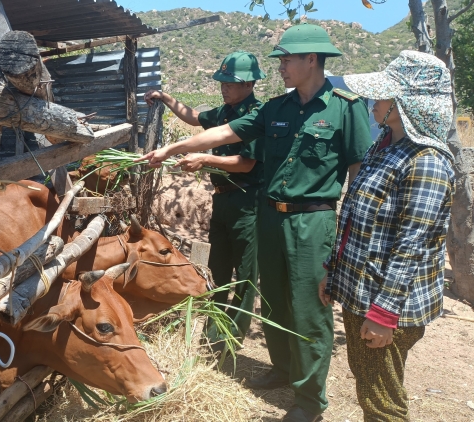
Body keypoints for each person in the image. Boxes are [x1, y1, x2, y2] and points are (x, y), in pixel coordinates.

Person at [137, 23, 374, 422]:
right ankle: (283, 369)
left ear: (311, 60)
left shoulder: (345, 108)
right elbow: (222, 132)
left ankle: (310, 402)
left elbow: (358, 175)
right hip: (269, 216)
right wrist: (171, 147)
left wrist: (349, 241)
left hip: (312, 222)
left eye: (286, 59)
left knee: (309, 311)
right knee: (278, 303)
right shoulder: (276, 109)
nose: (280, 66)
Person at [319, 51, 455, 421]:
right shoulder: (386, 145)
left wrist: (383, 314)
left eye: (382, 96)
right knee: (370, 390)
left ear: (404, 104)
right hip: (362, 292)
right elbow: (355, 219)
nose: (373, 103)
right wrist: (334, 272)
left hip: (386, 304)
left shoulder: (425, 161)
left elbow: (412, 245)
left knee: (382, 403)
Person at [144, 51, 266, 348]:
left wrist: (206, 160)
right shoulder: (224, 112)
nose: (224, 87)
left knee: (245, 277)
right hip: (223, 201)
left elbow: (246, 163)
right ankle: (211, 336)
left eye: (231, 82)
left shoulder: (257, 116)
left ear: (249, 84)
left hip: (248, 203)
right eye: (222, 81)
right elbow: (193, 116)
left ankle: (230, 343)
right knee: (219, 270)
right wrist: (164, 97)